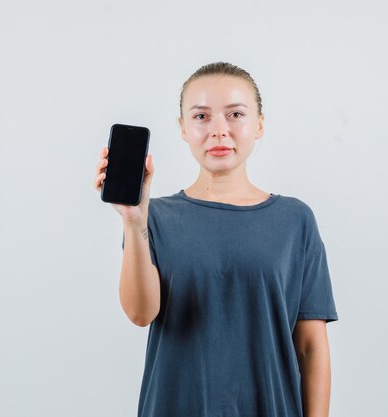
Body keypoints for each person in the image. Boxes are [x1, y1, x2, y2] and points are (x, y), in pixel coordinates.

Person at [93, 62, 339, 417]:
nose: (219, 131)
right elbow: (140, 313)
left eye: (235, 114)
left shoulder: (295, 220)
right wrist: (133, 220)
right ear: (182, 128)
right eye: (202, 117)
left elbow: (312, 347)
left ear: (259, 125)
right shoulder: (154, 218)